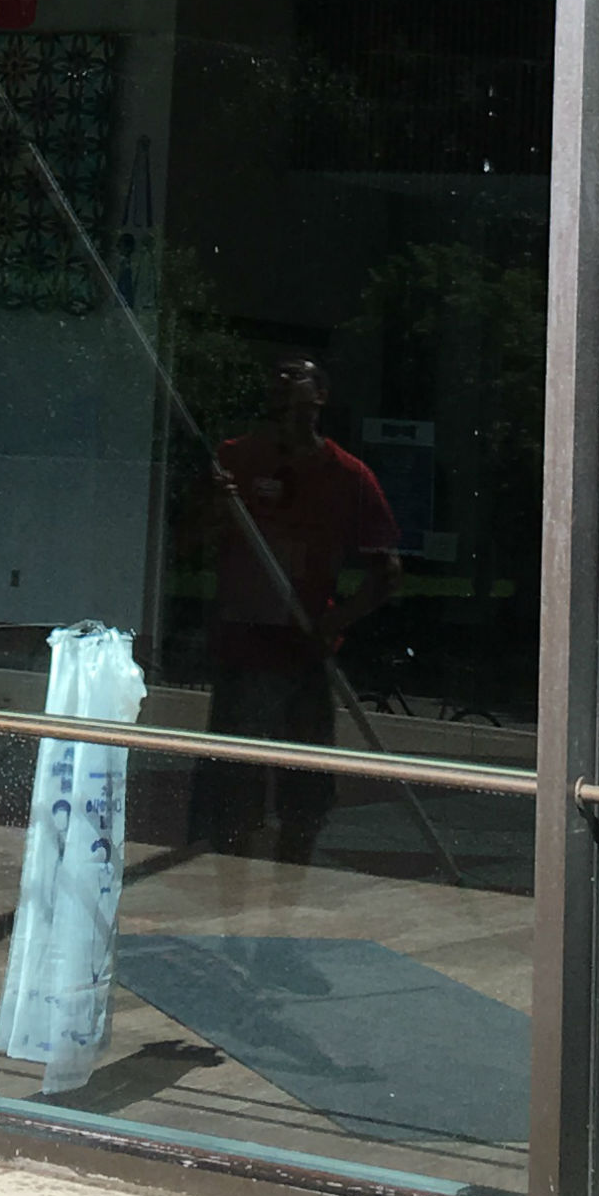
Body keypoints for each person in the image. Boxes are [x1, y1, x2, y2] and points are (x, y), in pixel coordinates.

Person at [195, 354, 403, 865]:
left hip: (303, 653)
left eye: (299, 378)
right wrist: (216, 508)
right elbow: (190, 542)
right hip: (243, 648)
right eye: (278, 379)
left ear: (321, 397)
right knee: (233, 787)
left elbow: (387, 572)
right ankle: (226, 879)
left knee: (304, 791)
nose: (286, 384)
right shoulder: (235, 462)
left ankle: (292, 881)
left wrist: (335, 620)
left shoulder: (348, 477)